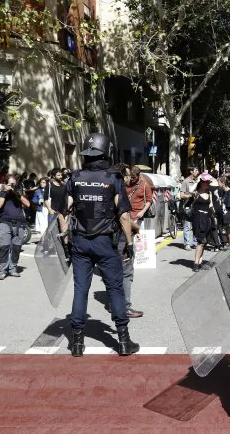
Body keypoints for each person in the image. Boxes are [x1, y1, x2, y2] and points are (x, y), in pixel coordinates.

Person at [65, 133, 139, 357]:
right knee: (115, 289)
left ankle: (77, 343)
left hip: (80, 241)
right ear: (106, 153)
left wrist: (65, 237)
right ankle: (124, 341)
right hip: (106, 242)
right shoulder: (112, 178)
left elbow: (64, 211)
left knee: (80, 290)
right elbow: (124, 216)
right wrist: (129, 243)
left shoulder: (74, 177)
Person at [116, 164, 144, 318]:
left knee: (114, 273)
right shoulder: (120, 191)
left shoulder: (106, 190)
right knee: (126, 273)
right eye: (127, 175)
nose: (129, 178)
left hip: (107, 238)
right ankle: (125, 307)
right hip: (121, 238)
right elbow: (125, 218)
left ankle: (117, 305)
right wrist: (130, 241)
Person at [0, 174, 30, 279]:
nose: (12, 186)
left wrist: (17, 194)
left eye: (14, 184)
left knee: (16, 248)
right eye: (10, 184)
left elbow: (27, 204)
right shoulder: (1, 192)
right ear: (5, 184)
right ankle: (2, 270)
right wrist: (5, 192)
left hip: (19, 223)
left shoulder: (18, 193)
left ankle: (13, 268)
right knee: (4, 247)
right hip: (5, 223)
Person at [190, 173, 216, 272]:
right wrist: (197, 181)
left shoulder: (209, 193)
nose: (208, 184)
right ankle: (196, 263)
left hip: (207, 218)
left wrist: (214, 215)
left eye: (209, 182)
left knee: (205, 242)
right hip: (197, 218)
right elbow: (189, 191)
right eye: (206, 182)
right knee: (201, 241)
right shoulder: (196, 193)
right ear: (202, 182)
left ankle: (200, 261)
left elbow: (211, 206)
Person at [180, 167, 199, 250]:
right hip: (188, 206)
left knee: (195, 225)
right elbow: (181, 195)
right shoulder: (186, 182)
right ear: (191, 172)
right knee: (187, 226)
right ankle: (187, 244)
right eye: (196, 170)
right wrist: (190, 195)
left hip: (196, 206)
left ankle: (195, 242)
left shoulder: (197, 181)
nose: (197, 172)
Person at [218, 176, 230, 244]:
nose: (218, 184)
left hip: (229, 220)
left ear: (223, 183)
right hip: (224, 220)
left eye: (219, 182)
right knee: (228, 240)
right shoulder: (223, 192)